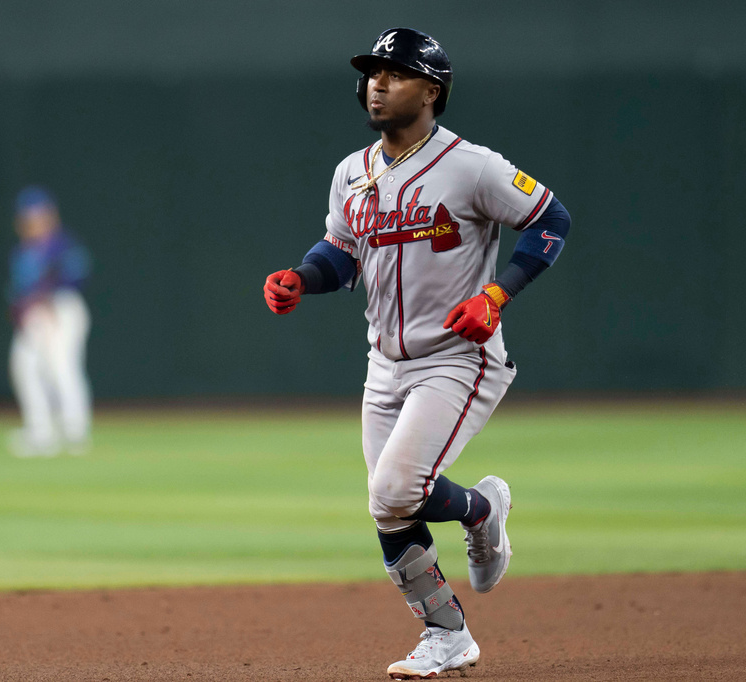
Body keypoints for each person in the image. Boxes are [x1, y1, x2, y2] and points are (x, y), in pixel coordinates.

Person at [263, 28, 571, 679]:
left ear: (432, 91)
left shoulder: (472, 166)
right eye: (372, 71)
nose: (378, 82)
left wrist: (497, 294)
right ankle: (453, 611)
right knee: (390, 505)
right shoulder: (353, 171)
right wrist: (302, 277)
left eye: (395, 73)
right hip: (384, 364)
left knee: (396, 488)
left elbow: (551, 219)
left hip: (457, 359)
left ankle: (473, 545)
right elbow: (340, 253)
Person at [7, 186, 93, 457]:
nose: (34, 222)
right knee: (25, 366)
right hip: (34, 314)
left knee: (61, 366)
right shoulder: (23, 252)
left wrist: (49, 296)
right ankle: (41, 431)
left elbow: (77, 275)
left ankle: (75, 429)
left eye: (40, 215)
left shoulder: (62, 245)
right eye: (29, 217)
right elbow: (19, 290)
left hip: (61, 309)